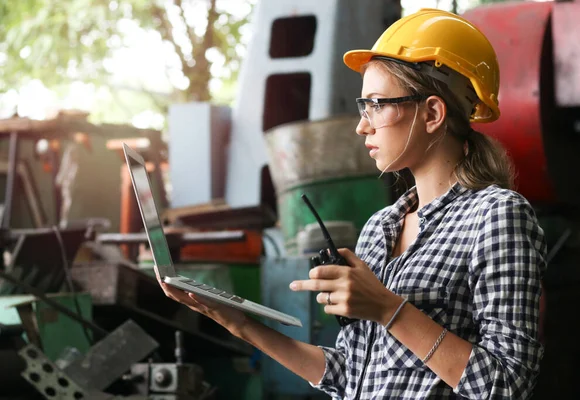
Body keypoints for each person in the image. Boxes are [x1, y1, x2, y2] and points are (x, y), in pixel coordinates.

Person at [154, 8, 546, 399]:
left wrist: (390, 310)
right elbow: (351, 375)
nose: (363, 124)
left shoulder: (496, 216)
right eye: (364, 106)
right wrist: (239, 323)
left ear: (431, 113)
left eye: (377, 104)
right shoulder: (380, 227)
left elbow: (507, 385)